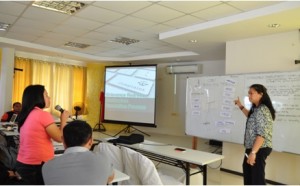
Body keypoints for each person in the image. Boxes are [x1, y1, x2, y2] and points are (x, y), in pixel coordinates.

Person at [15, 84, 70, 185]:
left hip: (23, 162)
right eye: (46, 95)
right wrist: (63, 120)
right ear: (38, 97)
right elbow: (59, 137)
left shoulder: (26, 113)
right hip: (37, 165)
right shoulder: (43, 115)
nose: (49, 98)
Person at [42, 120, 114, 185]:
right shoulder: (104, 159)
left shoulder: (47, 167)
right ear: (91, 141)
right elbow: (110, 178)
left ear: (63, 141)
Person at [234, 84, 275, 185]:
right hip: (252, 147)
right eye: (248, 93)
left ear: (261, 94)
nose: (249, 95)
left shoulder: (263, 110)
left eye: (251, 93)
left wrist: (253, 153)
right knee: (249, 175)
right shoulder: (256, 109)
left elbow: (261, 134)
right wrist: (240, 105)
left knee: (257, 179)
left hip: (259, 148)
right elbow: (249, 115)